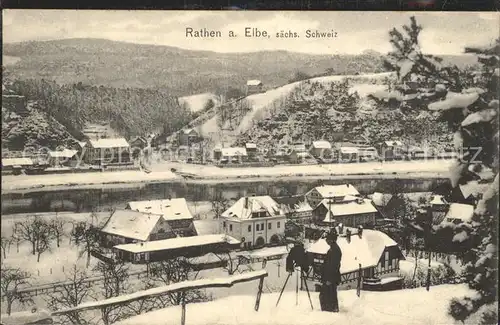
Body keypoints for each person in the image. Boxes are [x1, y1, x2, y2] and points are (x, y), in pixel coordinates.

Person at [319, 229, 342, 312]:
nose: (326, 241)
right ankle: (330, 309)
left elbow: (334, 266)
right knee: (328, 294)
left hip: (330, 278)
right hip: (329, 277)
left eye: (327, 239)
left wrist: (329, 279)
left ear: (331, 240)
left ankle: (331, 310)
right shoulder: (333, 249)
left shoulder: (335, 250)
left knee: (328, 295)